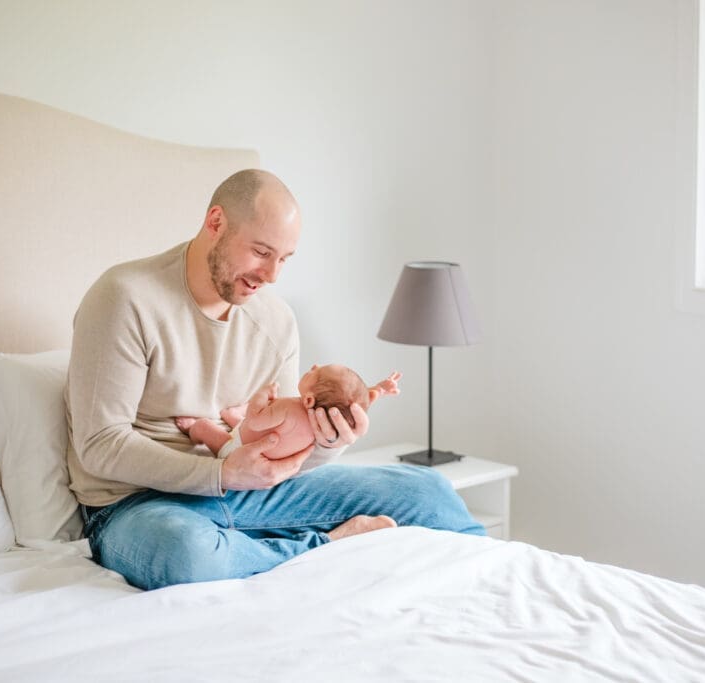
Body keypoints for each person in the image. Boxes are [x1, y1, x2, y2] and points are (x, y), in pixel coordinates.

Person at [65, 168, 484, 590]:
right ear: (215, 223)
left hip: (249, 494)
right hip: (137, 506)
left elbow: (282, 459)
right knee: (188, 555)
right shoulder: (125, 297)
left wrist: (328, 443)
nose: (272, 276)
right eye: (262, 252)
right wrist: (222, 473)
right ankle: (329, 543)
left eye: (284, 259)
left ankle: (484, 589)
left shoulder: (276, 320)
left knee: (428, 491)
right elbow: (99, 446)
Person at [174, 365, 402, 464]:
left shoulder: (287, 408)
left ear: (309, 399)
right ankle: (233, 417)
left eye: (317, 373)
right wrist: (378, 390)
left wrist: (261, 396)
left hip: (237, 453)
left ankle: (193, 430)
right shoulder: (322, 425)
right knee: (256, 426)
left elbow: (255, 419)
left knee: (206, 425)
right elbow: (354, 405)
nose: (314, 366)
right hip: (264, 448)